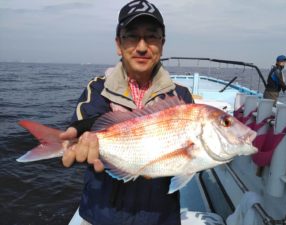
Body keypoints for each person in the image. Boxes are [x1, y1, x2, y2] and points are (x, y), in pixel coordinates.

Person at [60, 1, 193, 225]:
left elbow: (187, 159)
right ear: (118, 44)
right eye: (132, 36)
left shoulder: (180, 97)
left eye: (151, 37)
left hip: (159, 218)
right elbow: (87, 123)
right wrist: (80, 137)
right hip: (101, 215)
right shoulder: (98, 89)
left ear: (162, 44)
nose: (142, 47)